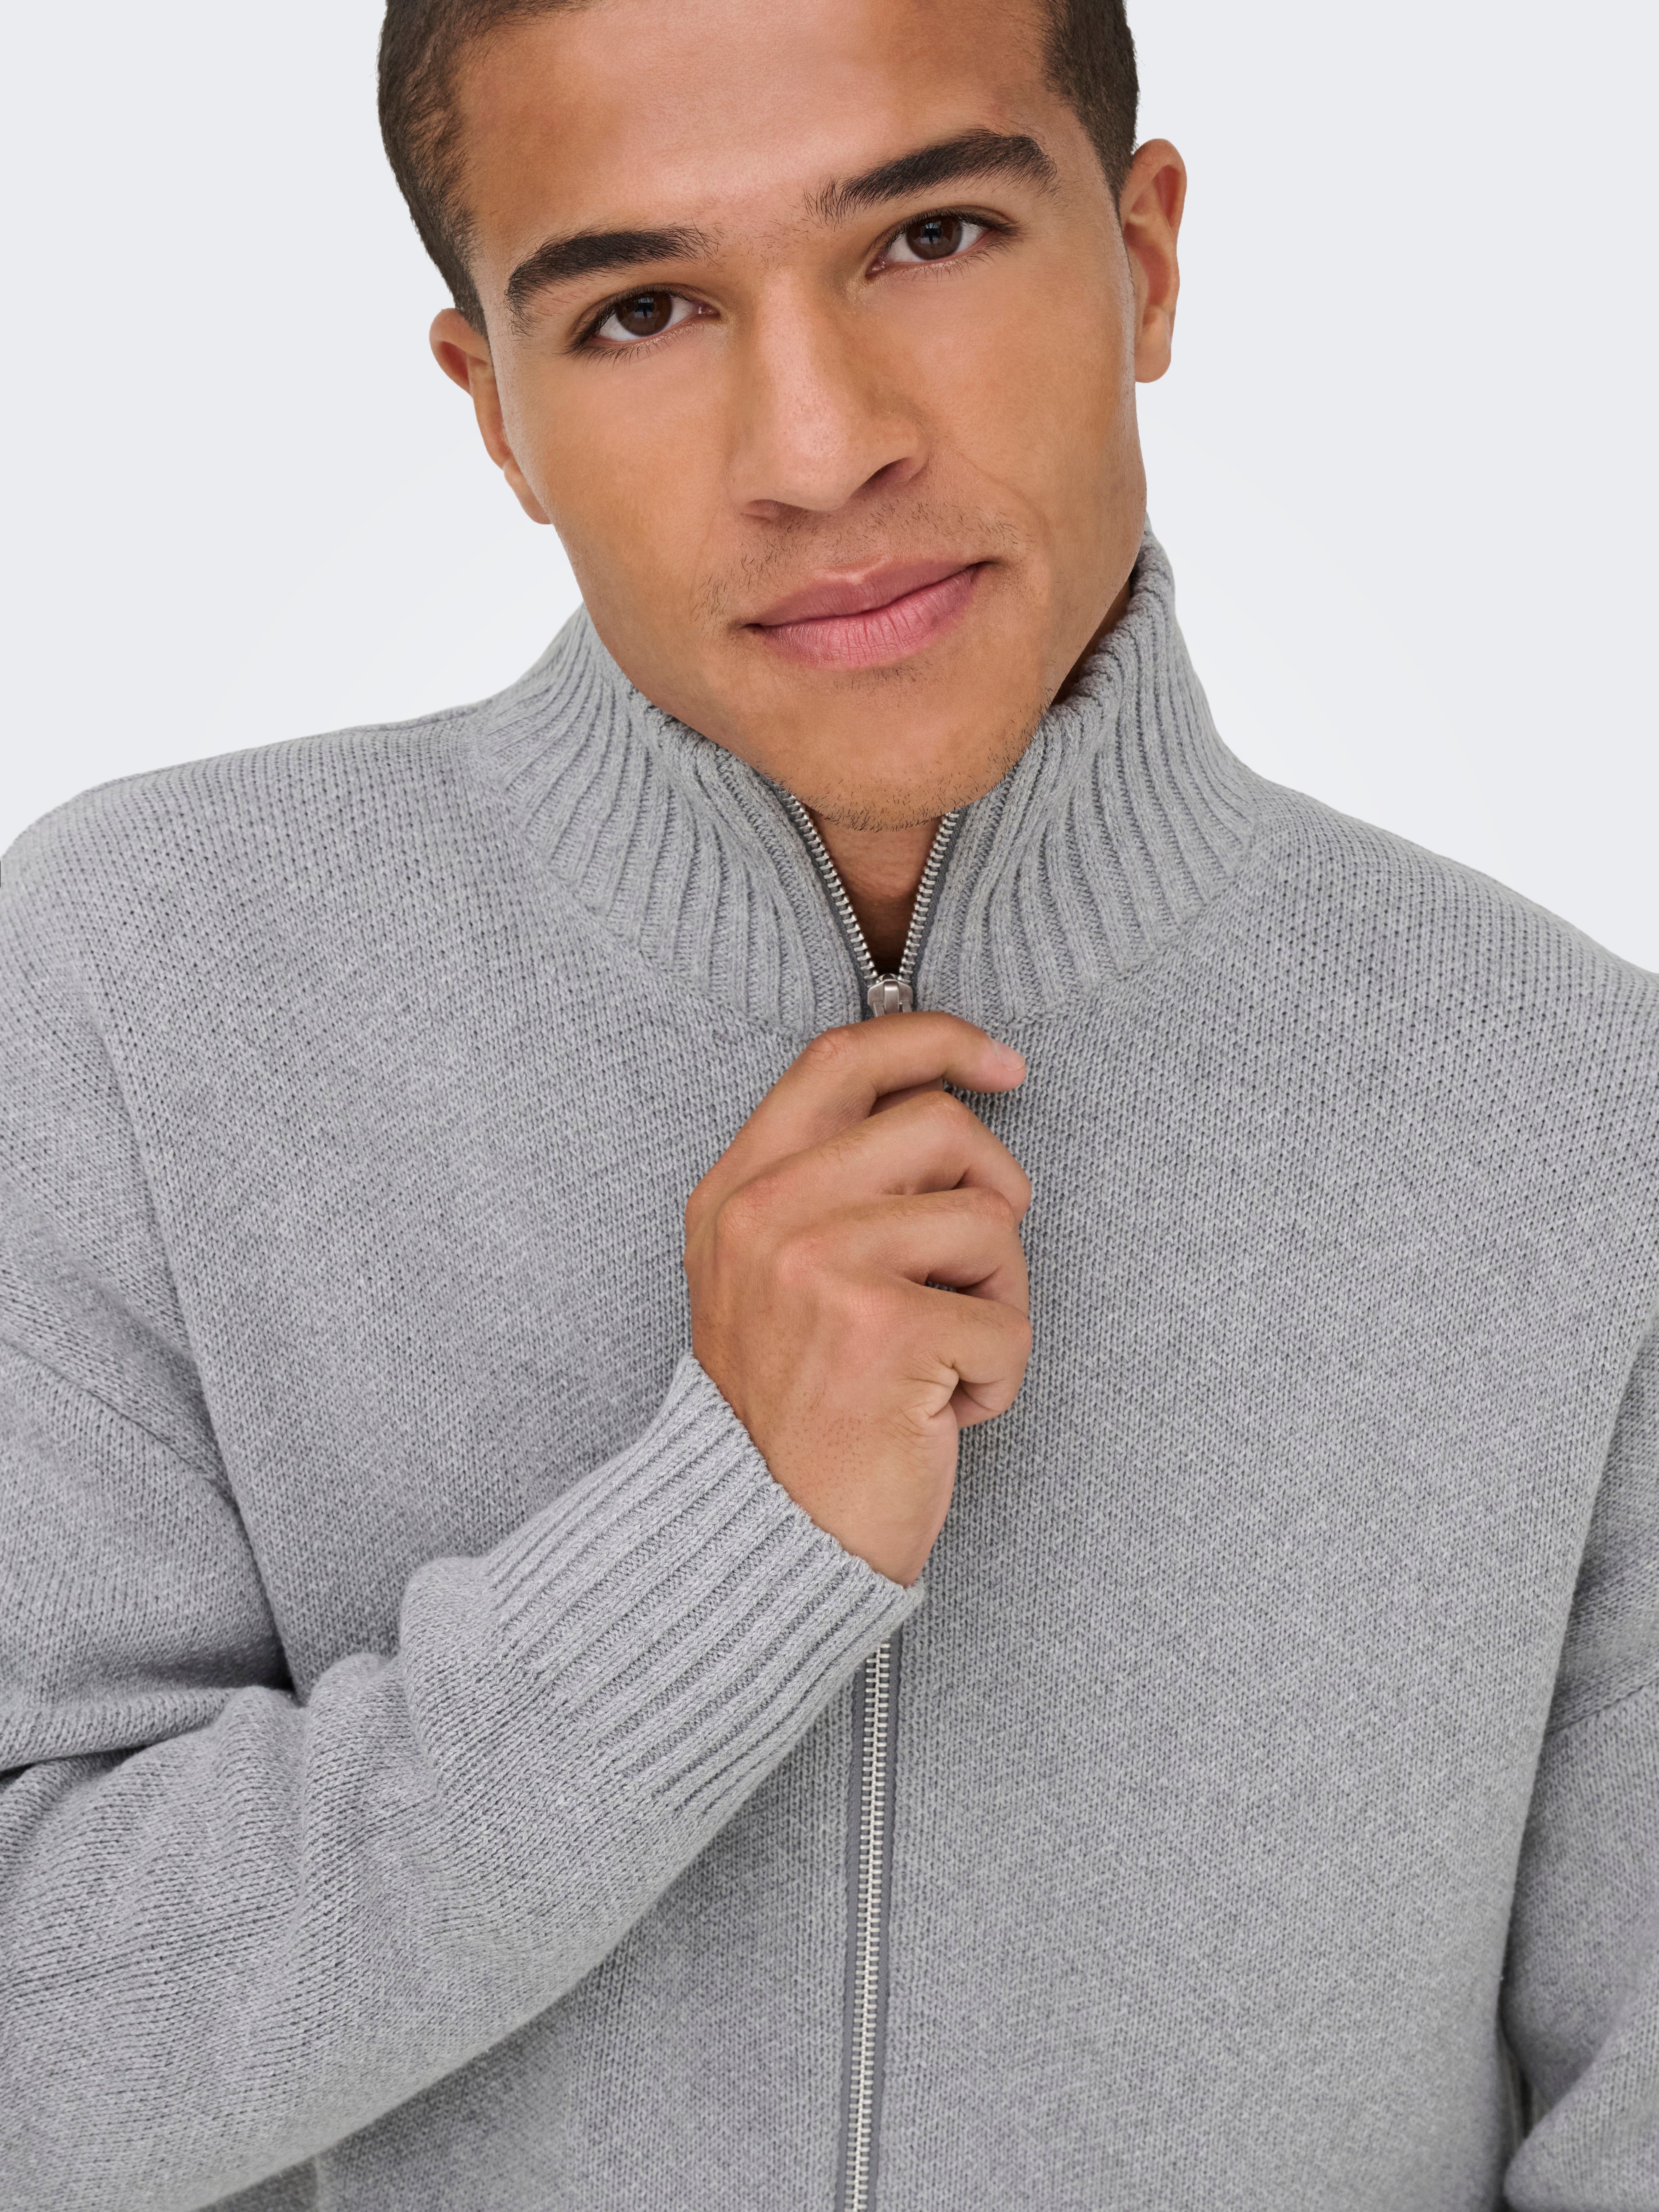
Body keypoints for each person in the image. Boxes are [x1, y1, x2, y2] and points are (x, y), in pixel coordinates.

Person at [2, 0, 1655, 2204]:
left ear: (1143, 260)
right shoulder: (140, 984)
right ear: (495, 408)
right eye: (643, 309)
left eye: (931, 236)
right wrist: (730, 1539)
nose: (816, 445)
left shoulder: (1577, 1119)